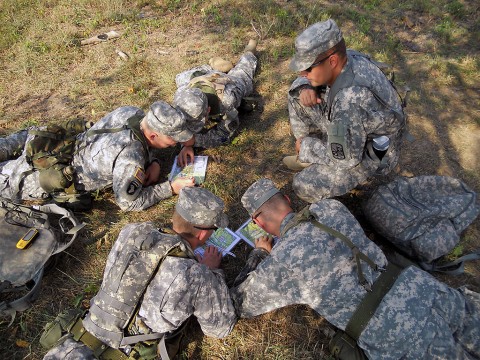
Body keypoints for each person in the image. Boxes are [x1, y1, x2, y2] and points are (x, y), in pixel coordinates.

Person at [231, 178, 480, 359]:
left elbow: (239, 304)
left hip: (397, 331)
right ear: (286, 199)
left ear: (258, 223)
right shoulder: (329, 207)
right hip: (421, 288)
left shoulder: (282, 263)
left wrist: (261, 254)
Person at [43, 187, 236, 359]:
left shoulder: (131, 232)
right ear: (203, 234)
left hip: (73, 343)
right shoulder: (196, 275)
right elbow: (220, 328)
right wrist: (213, 272)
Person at [285, 19, 406, 203]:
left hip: (376, 151)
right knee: (297, 92)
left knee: (304, 184)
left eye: (308, 68)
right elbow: (306, 83)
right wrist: (307, 87)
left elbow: (347, 160)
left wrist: (308, 147)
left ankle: (311, 154)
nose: (303, 73)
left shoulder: (349, 101)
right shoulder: (347, 58)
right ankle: (312, 155)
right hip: (356, 129)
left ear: (332, 61)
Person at [0, 101, 195, 211]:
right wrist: (170, 188)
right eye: (173, 139)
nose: (176, 143)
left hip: (51, 149)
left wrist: (152, 161)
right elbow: (129, 202)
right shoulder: (130, 158)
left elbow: (142, 140)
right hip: (27, 181)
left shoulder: (130, 111)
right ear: (153, 135)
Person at [172, 39, 258, 167]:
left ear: (207, 111)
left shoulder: (227, 101)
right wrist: (185, 144)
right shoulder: (181, 94)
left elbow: (224, 134)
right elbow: (174, 124)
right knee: (179, 78)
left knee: (244, 75)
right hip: (197, 79)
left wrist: (194, 141)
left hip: (225, 83)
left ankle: (249, 52)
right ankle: (211, 67)